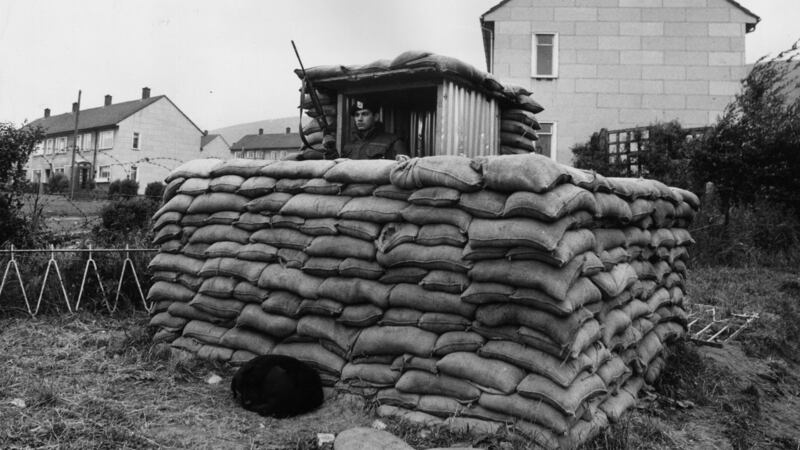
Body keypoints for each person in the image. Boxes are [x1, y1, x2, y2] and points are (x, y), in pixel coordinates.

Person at [341, 99, 409, 160]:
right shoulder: (349, 145)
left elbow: (403, 170)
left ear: (376, 117)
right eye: (357, 115)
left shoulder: (393, 142)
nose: (359, 119)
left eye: (365, 114)